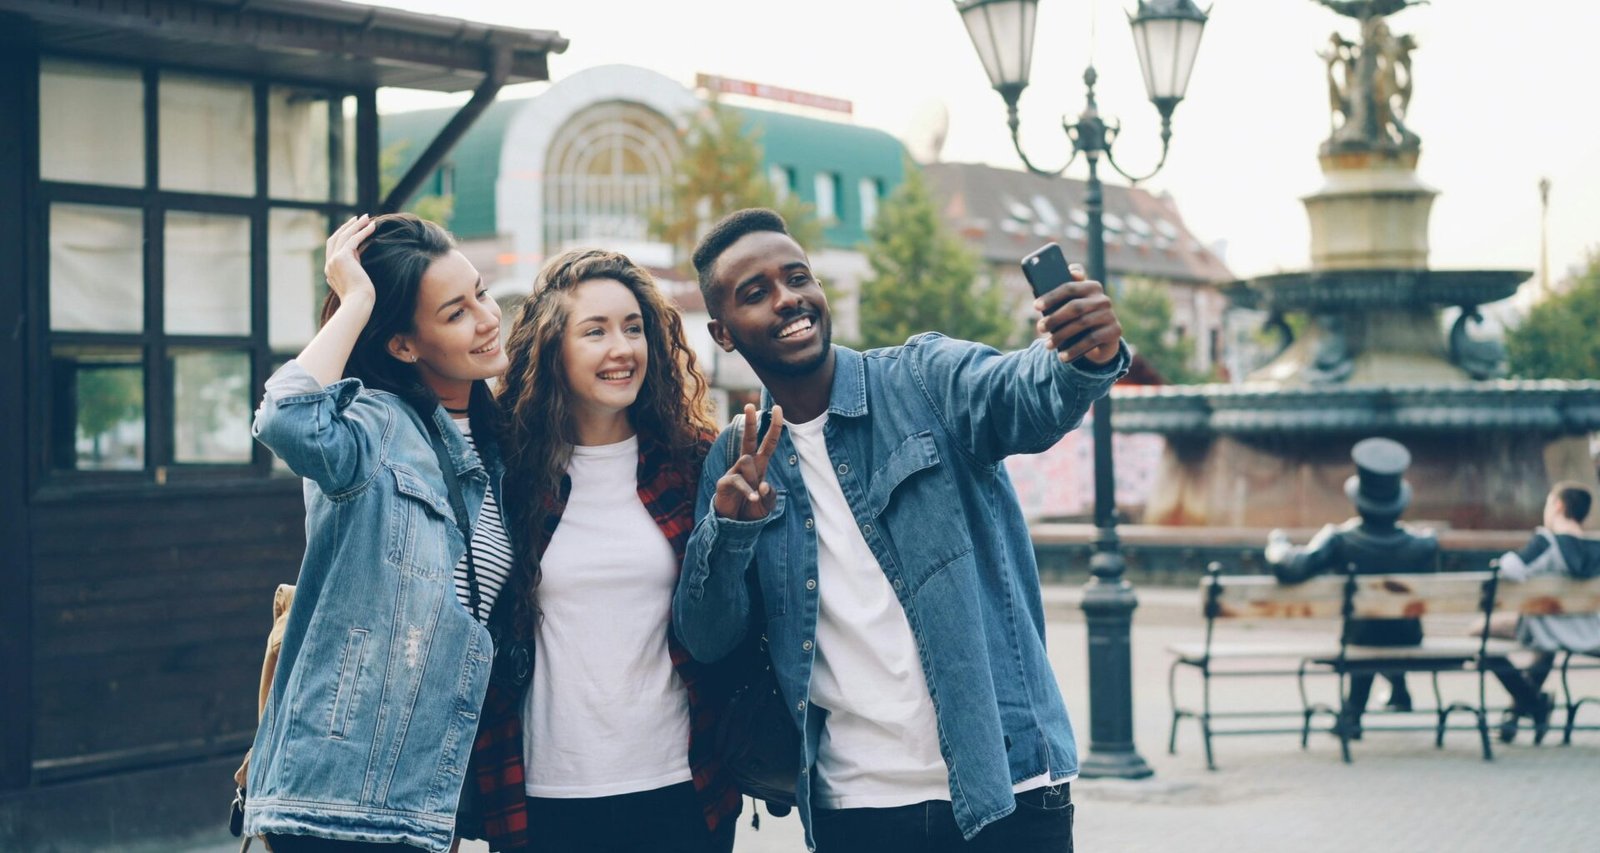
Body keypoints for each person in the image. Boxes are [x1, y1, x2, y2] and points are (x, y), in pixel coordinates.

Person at [673, 208, 1128, 853]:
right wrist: (729, 531)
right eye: (756, 293)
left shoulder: (922, 378)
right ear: (723, 333)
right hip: (853, 805)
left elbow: (1022, 394)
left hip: (1005, 785)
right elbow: (709, 637)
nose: (788, 300)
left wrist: (1082, 356)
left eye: (798, 277)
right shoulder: (737, 460)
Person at [246, 213, 513, 853]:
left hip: (424, 799)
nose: (487, 317)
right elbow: (286, 417)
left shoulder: (497, 444)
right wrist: (357, 300)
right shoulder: (374, 426)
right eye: (456, 312)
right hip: (339, 801)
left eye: (481, 291)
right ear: (401, 343)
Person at [471, 249, 739, 853]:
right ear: (551, 348)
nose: (622, 349)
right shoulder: (506, 471)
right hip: (544, 792)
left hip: (682, 786)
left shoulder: (693, 462)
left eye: (634, 328)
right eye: (595, 331)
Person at [1265, 437, 1439, 737]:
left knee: (1368, 630)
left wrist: (1276, 544)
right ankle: (1395, 694)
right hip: (1408, 637)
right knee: (1385, 623)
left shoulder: (1340, 540)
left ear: (1358, 499)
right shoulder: (1423, 545)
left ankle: (1352, 716)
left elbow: (1291, 568)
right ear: (1399, 500)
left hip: (1360, 639)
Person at [1491, 482, 1600, 743]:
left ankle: (1531, 705)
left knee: (1480, 636)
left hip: (1547, 631)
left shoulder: (1546, 542)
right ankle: (1518, 713)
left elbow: (1511, 568)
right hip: (1590, 632)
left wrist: (1500, 562)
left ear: (1558, 506)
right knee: (1544, 651)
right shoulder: (1596, 548)